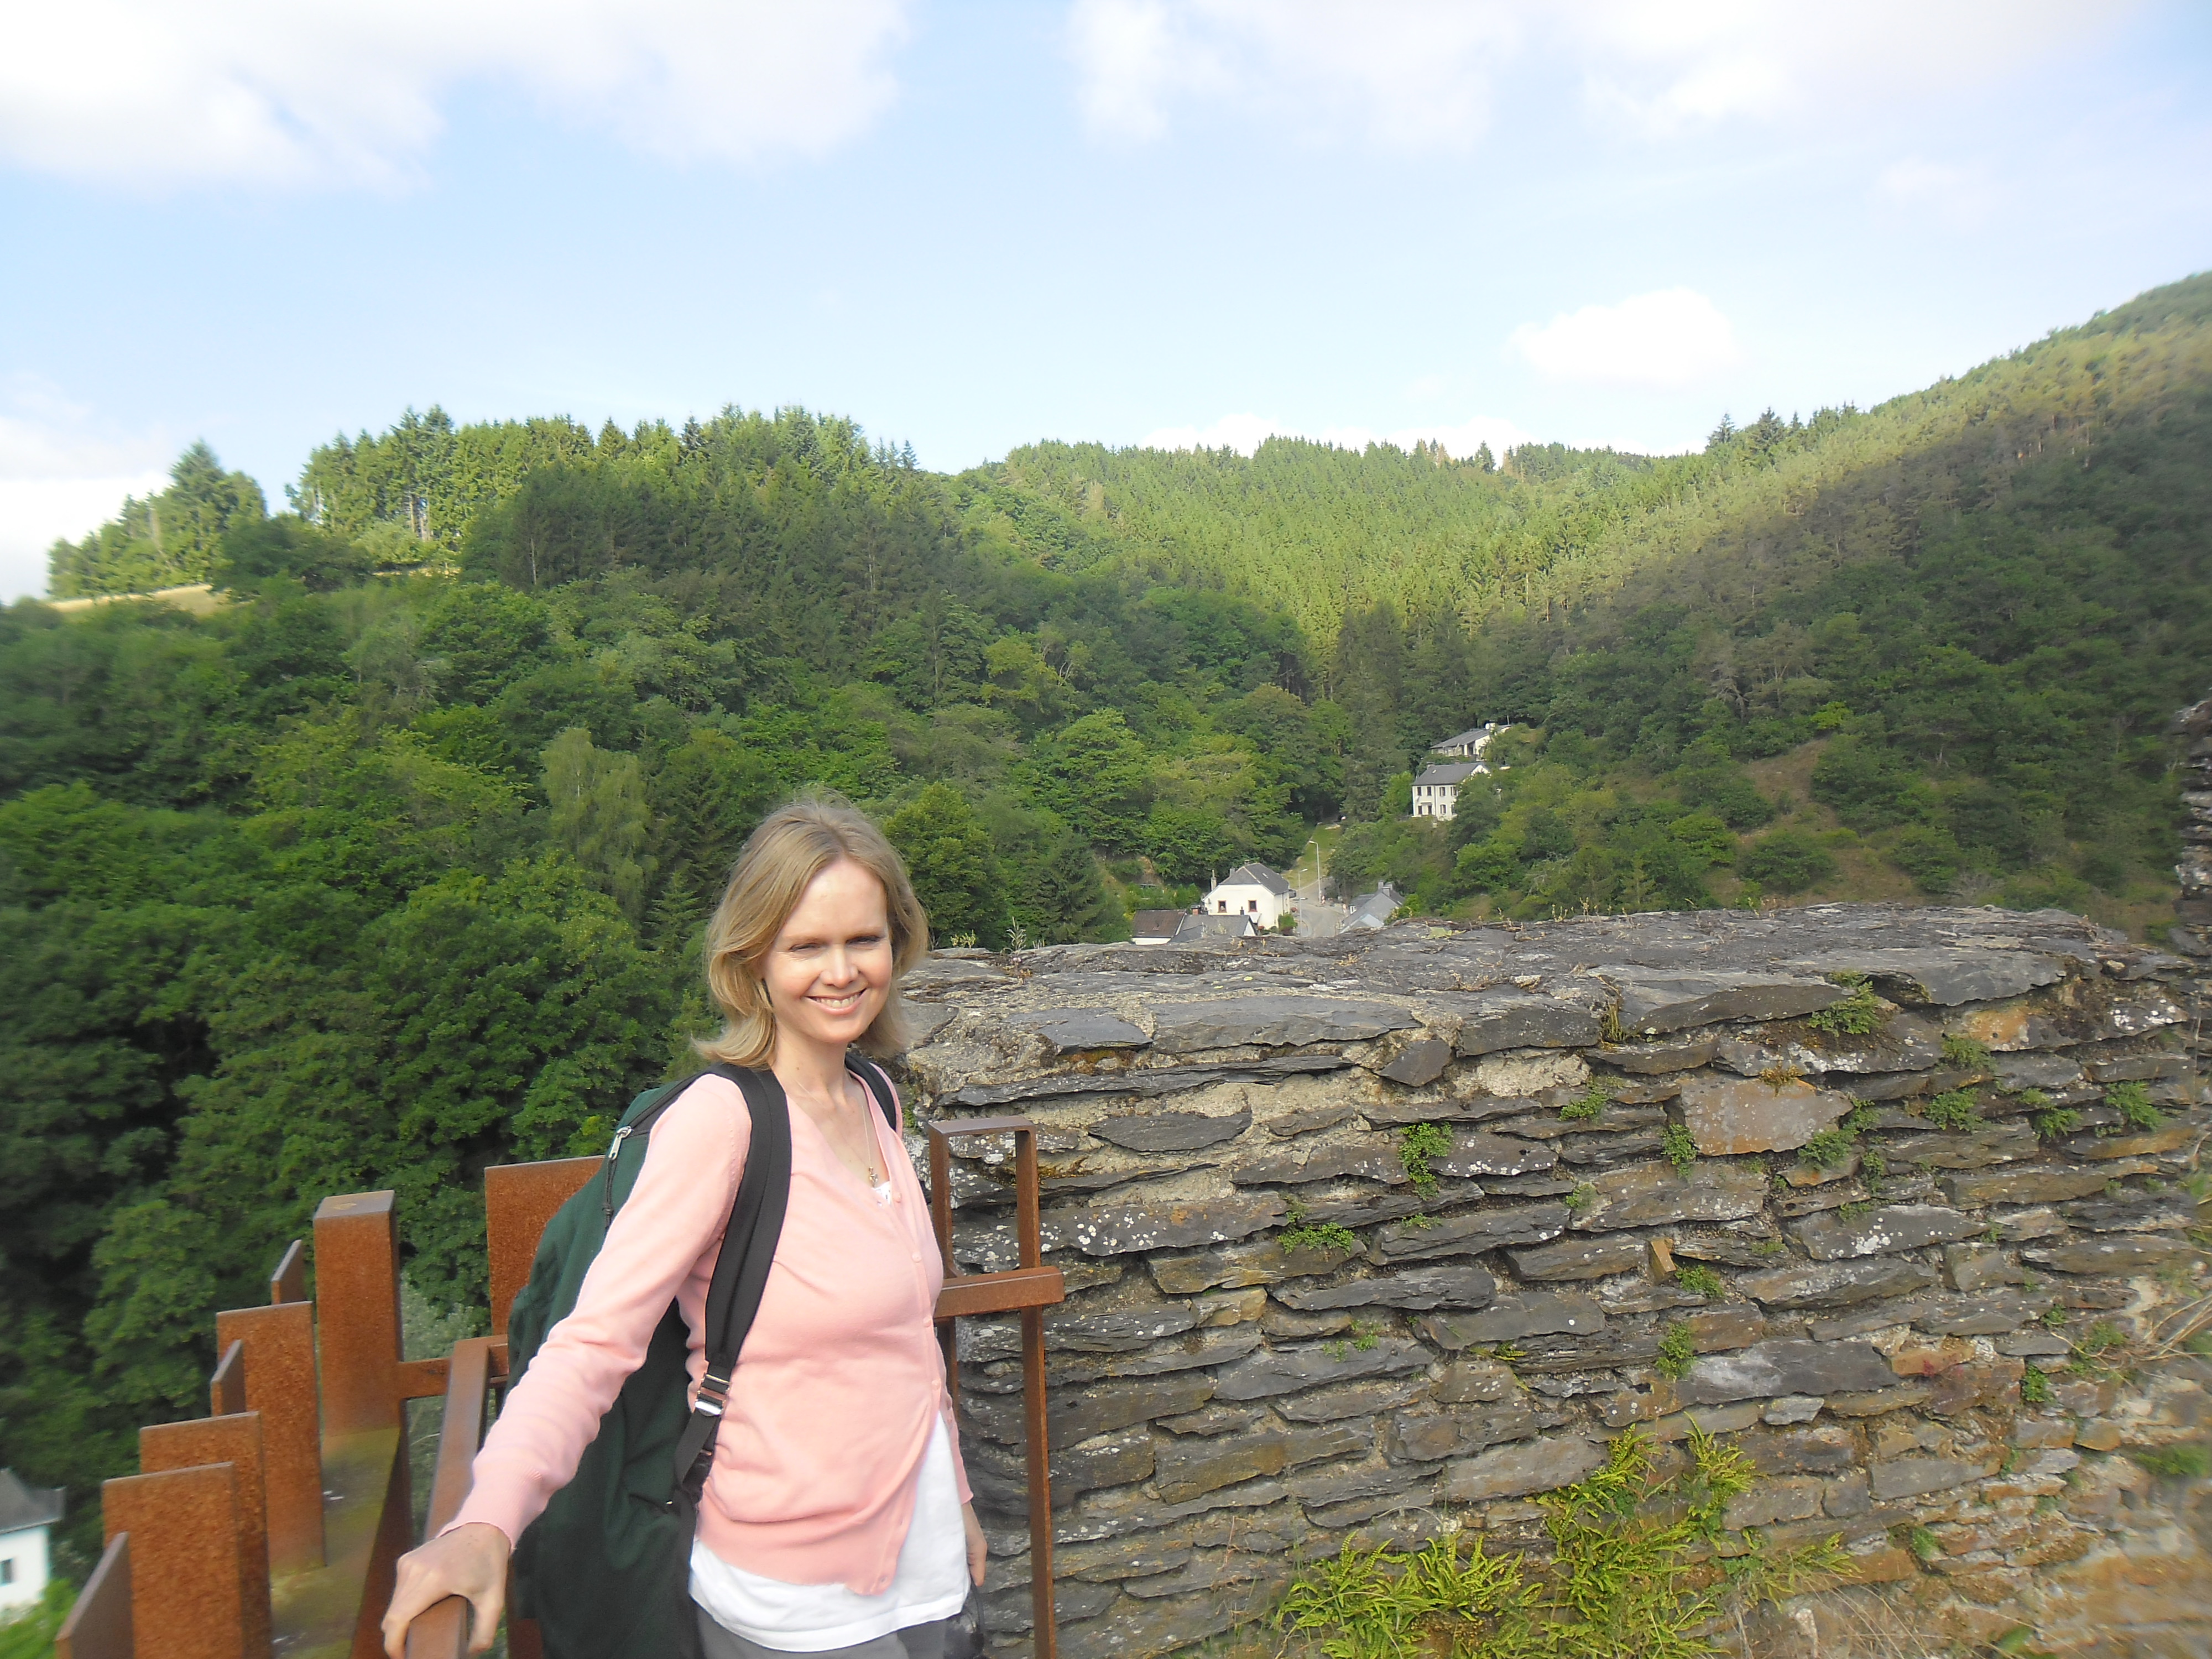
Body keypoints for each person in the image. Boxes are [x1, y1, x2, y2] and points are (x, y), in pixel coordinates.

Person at [382, 796, 985, 1659]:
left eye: (865, 940)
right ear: (753, 961)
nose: (843, 970)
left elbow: (906, 1348)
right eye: (806, 946)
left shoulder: (874, 1097)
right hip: (793, 1604)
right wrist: (486, 1521)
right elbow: (590, 1345)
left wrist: (955, 1500)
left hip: (924, 1572)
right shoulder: (722, 1123)